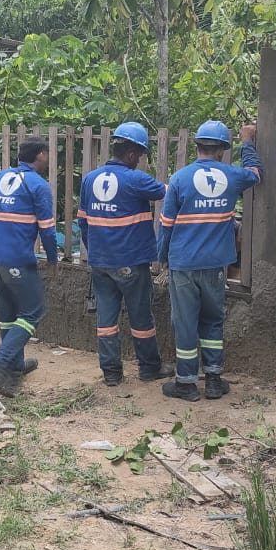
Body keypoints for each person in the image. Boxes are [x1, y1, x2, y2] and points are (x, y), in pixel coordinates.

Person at [157, 121, 263, 402]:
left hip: (183, 263)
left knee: (185, 323)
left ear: (198, 146)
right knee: (213, 321)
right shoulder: (232, 176)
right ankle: (214, 380)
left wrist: (162, 258)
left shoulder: (180, 179)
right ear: (222, 150)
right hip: (216, 264)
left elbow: (166, 224)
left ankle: (187, 383)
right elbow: (255, 173)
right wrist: (248, 143)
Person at [77, 122, 173, 387]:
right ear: (132, 154)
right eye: (140, 156)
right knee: (141, 317)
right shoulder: (136, 179)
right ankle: (149, 368)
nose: (140, 161)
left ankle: (111, 373)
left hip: (100, 262)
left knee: (106, 320)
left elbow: (83, 222)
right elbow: (171, 192)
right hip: (130, 261)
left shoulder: (90, 179)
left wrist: (94, 249)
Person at [0, 138, 58, 397]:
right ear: (40, 156)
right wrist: (52, 259)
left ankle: (14, 367)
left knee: (8, 315)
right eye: (46, 154)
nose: (47, 159)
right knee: (33, 312)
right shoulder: (38, 185)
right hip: (18, 261)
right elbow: (47, 231)